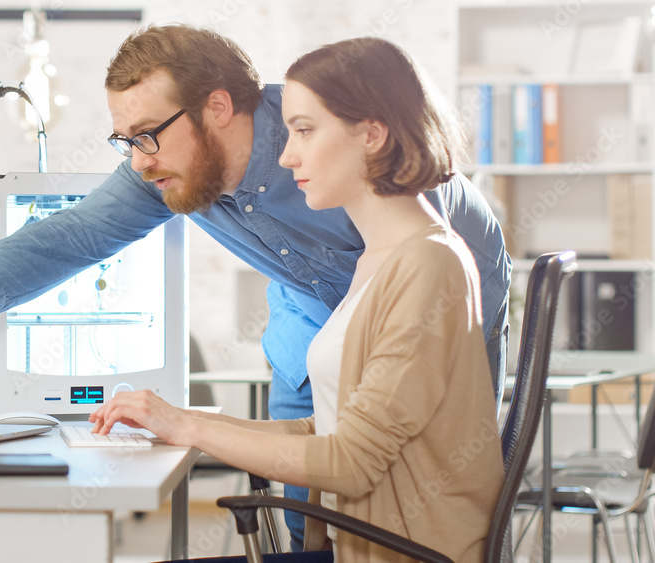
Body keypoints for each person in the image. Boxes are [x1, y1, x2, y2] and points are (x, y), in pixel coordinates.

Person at [0, 24, 511, 553]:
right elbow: (70, 237)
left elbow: (442, 258)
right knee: (309, 500)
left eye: (148, 134)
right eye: (124, 140)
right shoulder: (164, 167)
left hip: (431, 297)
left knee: (429, 471)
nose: (138, 159)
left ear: (217, 108)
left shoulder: (340, 149)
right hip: (312, 319)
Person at [90, 36, 505, 561]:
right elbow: (326, 428)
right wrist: (176, 420)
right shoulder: (375, 259)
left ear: (372, 135)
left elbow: (351, 461)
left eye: (304, 131)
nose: (286, 156)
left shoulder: (428, 265)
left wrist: (186, 426)